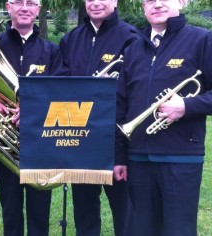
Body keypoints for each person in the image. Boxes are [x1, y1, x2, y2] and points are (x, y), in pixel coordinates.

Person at [114, 0, 212, 235]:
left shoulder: (201, 39)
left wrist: (187, 105)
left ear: (182, 2)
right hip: (138, 157)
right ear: (143, 7)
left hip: (181, 157)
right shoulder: (133, 48)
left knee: (178, 230)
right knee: (139, 230)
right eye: (149, 0)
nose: (157, 4)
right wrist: (120, 156)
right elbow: (121, 107)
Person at [0, 0, 67, 235]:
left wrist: (33, 109)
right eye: (19, 2)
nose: (25, 7)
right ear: (9, 6)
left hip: (41, 142)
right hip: (3, 142)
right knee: (10, 206)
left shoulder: (51, 51)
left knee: (40, 209)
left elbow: (62, 91)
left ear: (38, 9)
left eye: (31, 3)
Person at [59, 0, 137, 235]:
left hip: (116, 140)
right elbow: (60, 91)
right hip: (81, 140)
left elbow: (135, 96)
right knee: (84, 213)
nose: (96, 3)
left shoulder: (131, 37)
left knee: (125, 215)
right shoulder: (70, 39)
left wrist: (122, 151)